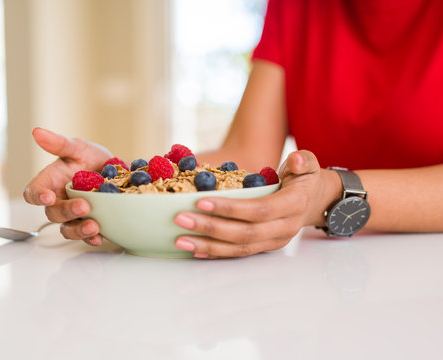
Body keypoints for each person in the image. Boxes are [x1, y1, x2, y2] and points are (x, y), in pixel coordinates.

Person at [24, 0, 443, 258]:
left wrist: (332, 194)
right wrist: (121, 180)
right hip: (327, 279)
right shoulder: (296, 5)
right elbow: (246, 155)